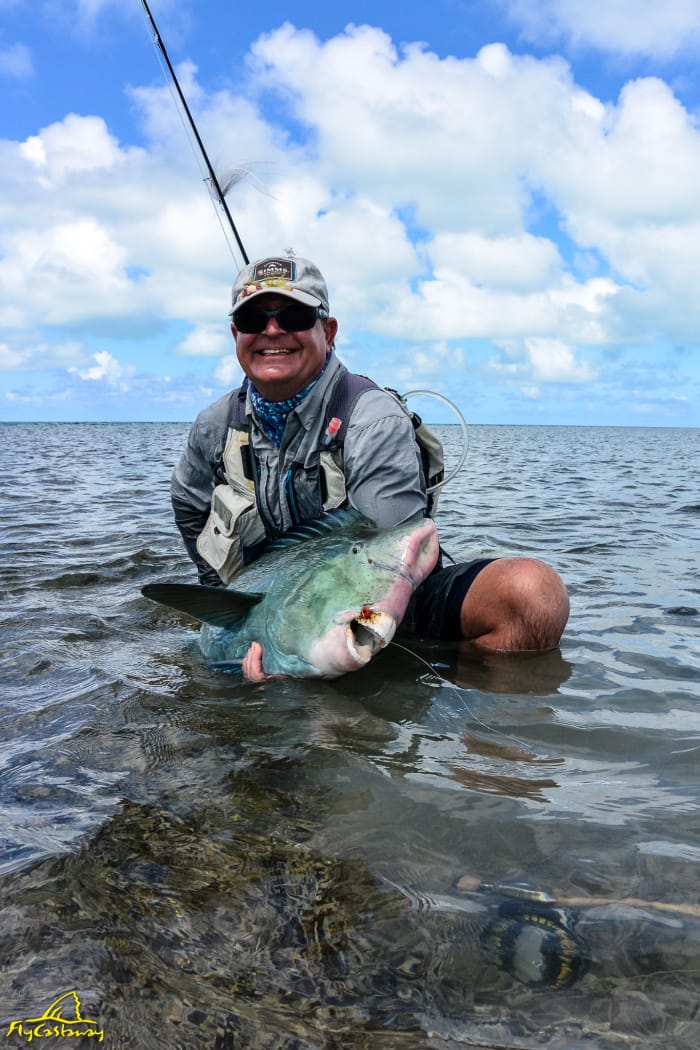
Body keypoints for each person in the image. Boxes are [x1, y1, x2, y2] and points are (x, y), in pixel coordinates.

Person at [171, 253, 569, 681]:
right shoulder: (213, 425)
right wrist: (224, 601)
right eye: (253, 319)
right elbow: (187, 502)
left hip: (378, 599)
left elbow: (378, 566)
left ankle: (453, 703)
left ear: (328, 331)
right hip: (277, 599)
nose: (273, 330)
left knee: (532, 595)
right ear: (236, 335)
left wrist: (303, 646)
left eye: (294, 315)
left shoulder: (372, 419)